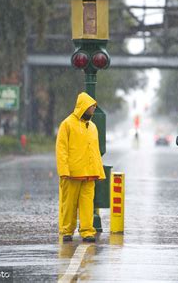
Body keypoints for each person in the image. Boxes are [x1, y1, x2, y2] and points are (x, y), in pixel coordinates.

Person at [56, 92, 106, 243]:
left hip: (89, 174)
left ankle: (87, 231)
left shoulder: (93, 127)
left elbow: (95, 150)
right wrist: (64, 171)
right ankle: (67, 231)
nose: (93, 110)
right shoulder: (67, 124)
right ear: (83, 107)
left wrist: (98, 171)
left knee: (87, 205)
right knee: (69, 204)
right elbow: (61, 149)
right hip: (71, 173)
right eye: (91, 107)